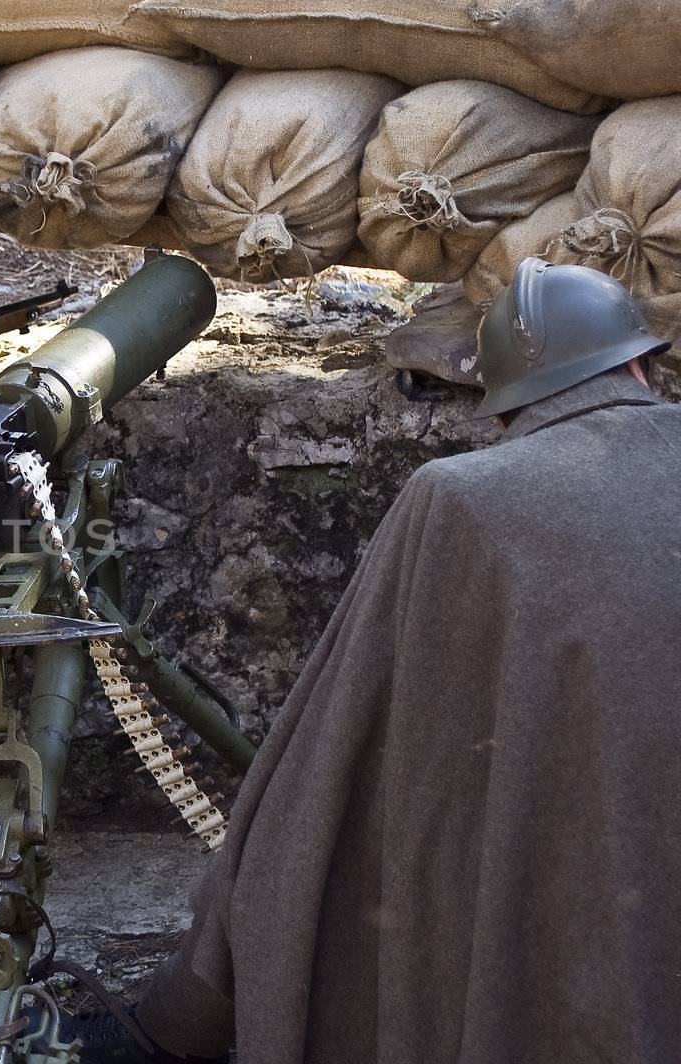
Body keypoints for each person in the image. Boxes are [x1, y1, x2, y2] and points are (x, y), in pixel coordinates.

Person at [70, 258, 681, 1063]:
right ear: (641, 364)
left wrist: (184, 1007)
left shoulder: (463, 500)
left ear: (499, 414)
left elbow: (326, 760)